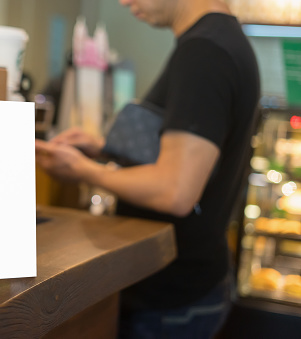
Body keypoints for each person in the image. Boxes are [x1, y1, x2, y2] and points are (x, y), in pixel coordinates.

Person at [35, 0, 260, 337]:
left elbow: (175, 191)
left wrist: (83, 170)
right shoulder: (219, 39)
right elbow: (188, 156)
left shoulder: (204, 53)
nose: (124, 1)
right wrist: (102, 148)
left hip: (171, 295)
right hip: (191, 280)